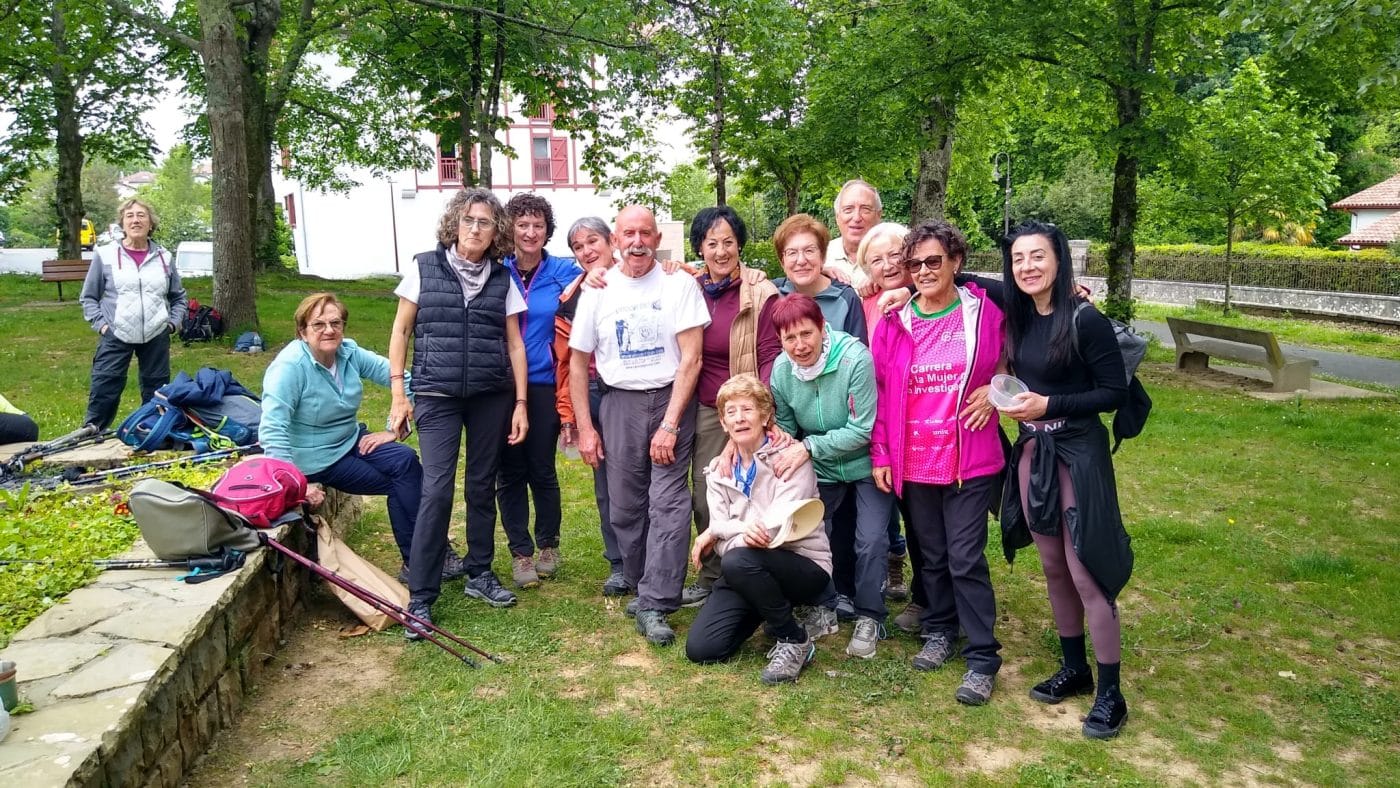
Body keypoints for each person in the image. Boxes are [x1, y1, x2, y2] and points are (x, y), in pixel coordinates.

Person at [996, 220, 1133, 738]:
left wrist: (1049, 403)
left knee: (1086, 569)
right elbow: (962, 279)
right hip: (1035, 449)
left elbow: (1112, 392)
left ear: (1059, 261)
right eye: (1018, 259)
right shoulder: (1020, 316)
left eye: (1038, 257)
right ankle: (1074, 668)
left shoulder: (1086, 320)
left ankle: (1111, 693)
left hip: (1077, 451)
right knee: (1053, 565)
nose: (1027, 267)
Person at [870, 220, 1006, 705]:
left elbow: (1015, 355)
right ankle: (940, 629)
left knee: (965, 557)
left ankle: (983, 657)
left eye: (934, 261)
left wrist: (1000, 383)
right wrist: (882, 453)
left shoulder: (984, 312)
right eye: (915, 264)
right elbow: (884, 394)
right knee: (931, 555)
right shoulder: (894, 322)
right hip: (913, 460)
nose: (924, 271)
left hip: (969, 456)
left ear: (955, 263)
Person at [388, 188, 529, 637]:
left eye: (485, 222)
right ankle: (422, 596)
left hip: (491, 394)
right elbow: (401, 328)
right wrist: (398, 392)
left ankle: (480, 573)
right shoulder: (424, 267)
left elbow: (514, 344)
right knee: (436, 489)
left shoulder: (503, 278)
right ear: (455, 223)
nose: (475, 228)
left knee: (482, 484)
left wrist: (521, 403)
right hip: (436, 393)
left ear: (495, 231)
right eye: (469, 219)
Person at [568, 205, 710, 647]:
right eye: (628, 234)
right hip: (618, 405)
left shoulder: (679, 283)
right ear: (614, 239)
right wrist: (586, 428)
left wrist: (669, 424)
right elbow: (576, 365)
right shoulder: (597, 290)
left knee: (669, 501)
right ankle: (643, 580)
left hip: (670, 400)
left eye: (645, 233)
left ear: (656, 238)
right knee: (625, 507)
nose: (637, 242)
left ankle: (655, 601)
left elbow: (692, 357)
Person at [260, 293, 464, 583]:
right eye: (318, 324)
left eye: (335, 322)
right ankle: (427, 557)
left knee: (405, 460)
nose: (328, 330)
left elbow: (403, 380)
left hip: (350, 439)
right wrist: (295, 486)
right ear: (302, 331)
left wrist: (393, 429)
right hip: (316, 458)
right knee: (401, 481)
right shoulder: (290, 368)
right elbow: (272, 428)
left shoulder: (348, 352)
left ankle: (424, 558)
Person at [766, 293, 892, 659]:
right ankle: (826, 602)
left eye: (806, 334)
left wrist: (807, 448)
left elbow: (862, 429)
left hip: (868, 463)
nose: (800, 345)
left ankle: (871, 614)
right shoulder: (781, 370)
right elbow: (787, 427)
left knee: (870, 540)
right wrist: (781, 445)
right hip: (821, 466)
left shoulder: (855, 359)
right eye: (789, 339)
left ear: (823, 328)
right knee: (812, 535)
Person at [685, 374, 831, 685]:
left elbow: (778, 526)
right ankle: (768, 607)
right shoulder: (717, 472)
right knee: (703, 648)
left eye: (748, 410)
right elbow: (723, 537)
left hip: (802, 563)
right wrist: (723, 532)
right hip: (747, 568)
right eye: (731, 412)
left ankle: (794, 638)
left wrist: (720, 532)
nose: (739, 419)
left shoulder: (790, 458)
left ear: (765, 416)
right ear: (723, 424)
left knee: (738, 560)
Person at [681, 206, 782, 609]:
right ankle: (713, 574)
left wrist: (762, 410)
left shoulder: (759, 290)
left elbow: (772, 353)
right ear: (699, 248)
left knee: (745, 490)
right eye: (712, 243)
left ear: (740, 245)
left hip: (746, 406)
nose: (721, 251)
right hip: (702, 405)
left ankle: (748, 570)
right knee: (705, 492)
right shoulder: (688, 286)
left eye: (728, 242)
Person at [498, 193, 583, 588]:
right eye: (522, 224)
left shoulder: (564, 271)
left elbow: (607, 272)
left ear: (547, 231)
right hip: (501, 384)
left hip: (546, 383)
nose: (530, 232)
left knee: (542, 468)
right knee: (510, 469)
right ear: (511, 228)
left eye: (538, 225)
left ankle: (548, 543)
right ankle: (521, 552)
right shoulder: (496, 271)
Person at [553, 216, 632, 597]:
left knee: (639, 478)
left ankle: (647, 558)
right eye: (578, 247)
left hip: (633, 391)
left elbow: (683, 275)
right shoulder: (571, 298)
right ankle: (618, 562)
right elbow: (567, 364)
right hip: (595, 393)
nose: (587, 251)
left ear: (611, 241)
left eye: (593, 241)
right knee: (604, 483)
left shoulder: (639, 275)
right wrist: (571, 417)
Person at [79, 199, 188, 430]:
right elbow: (88, 297)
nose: (135, 220)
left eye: (141, 215)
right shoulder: (105, 254)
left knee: (156, 390)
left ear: (151, 224)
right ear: (122, 222)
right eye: (129, 216)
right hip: (115, 332)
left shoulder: (164, 257)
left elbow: (178, 297)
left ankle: (152, 433)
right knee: (105, 387)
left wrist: (172, 325)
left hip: (156, 333)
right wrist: (102, 325)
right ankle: (92, 433)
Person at [854, 222, 916, 607]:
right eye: (877, 260)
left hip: (922, 421)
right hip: (880, 423)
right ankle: (894, 562)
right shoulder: (864, 303)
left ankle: (929, 600)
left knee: (925, 519)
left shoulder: (929, 295)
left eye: (895, 255)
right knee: (887, 501)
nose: (888, 264)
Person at [771, 213, 867, 343]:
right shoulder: (772, 293)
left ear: (823, 257)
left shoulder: (845, 298)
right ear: (782, 262)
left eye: (809, 251)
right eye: (792, 253)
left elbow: (859, 356)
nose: (801, 260)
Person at [825, 179, 883, 296]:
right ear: (837, 217)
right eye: (848, 209)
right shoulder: (820, 256)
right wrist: (817, 272)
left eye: (865, 209)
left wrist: (884, 277)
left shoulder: (894, 258)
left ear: (878, 215)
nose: (856, 217)